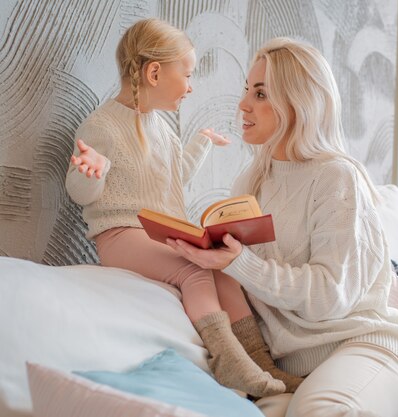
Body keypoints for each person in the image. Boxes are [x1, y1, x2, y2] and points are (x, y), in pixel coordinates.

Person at [166, 37, 398, 417]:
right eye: (247, 90)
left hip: (359, 346)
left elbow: (330, 296)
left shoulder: (336, 177)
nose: (244, 105)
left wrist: (239, 264)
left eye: (262, 94)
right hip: (288, 368)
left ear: (299, 103)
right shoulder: (251, 181)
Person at [65, 18, 303, 397]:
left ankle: (261, 362)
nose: (191, 87)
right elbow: (81, 192)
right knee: (193, 270)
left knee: (222, 266)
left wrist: (201, 143)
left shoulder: (164, 128)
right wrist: (92, 171)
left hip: (162, 230)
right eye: (187, 75)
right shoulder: (102, 127)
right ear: (155, 73)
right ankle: (227, 357)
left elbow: (173, 179)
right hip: (121, 234)